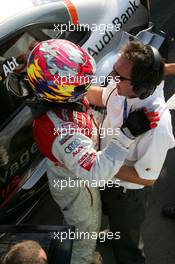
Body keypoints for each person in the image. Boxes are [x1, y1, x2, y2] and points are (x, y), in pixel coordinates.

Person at [25, 39, 159, 264]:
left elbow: (88, 96)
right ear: (61, 90)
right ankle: (84, 259)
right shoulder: (64, 131)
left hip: (73, 171)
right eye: (81, 83)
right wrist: (126, 134)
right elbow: (96, 172)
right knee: (85, 228)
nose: (86, 85)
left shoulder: (57, 94)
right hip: (76, 186)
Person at [87, 40, 175, 264]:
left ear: (142, 85)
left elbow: (146, 178)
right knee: (111, 215)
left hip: (127, 195)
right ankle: (114, 232)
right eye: (114, 70)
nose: (112, 78)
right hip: (108, 177)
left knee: (128, 245)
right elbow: (102, 97)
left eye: (119, 76)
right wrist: (69, 90)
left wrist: (99, 162)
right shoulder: (123, 85)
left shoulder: (158, 126)